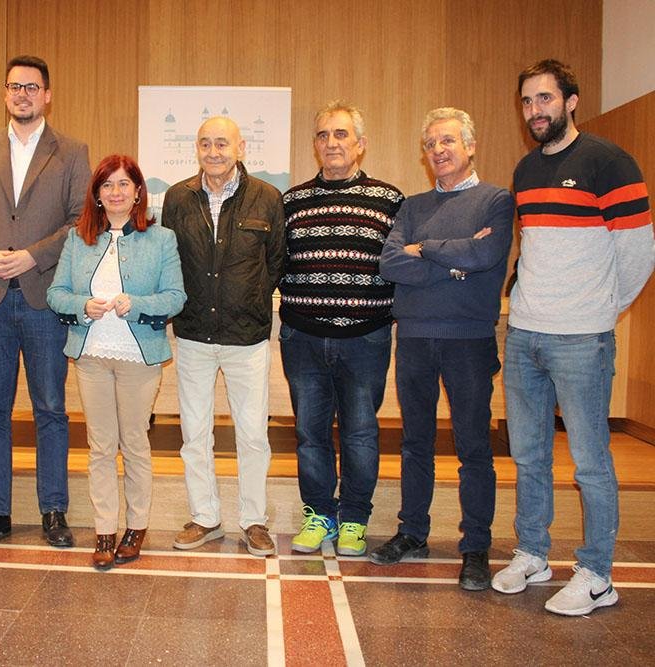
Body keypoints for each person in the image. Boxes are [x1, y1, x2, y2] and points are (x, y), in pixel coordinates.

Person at [492, 59, 654, 615]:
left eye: (545, 99)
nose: (535, 111)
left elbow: (637, 252)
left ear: (571, 101)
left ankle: (596, 574)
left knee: (590, 461)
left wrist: (603, 310)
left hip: (582, 338)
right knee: (529, 454)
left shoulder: (610, 162)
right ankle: (533, 552)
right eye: (527, 102)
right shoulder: (525, 171)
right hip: (526, 335)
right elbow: (534, 246)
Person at [0, 55, 90, 548]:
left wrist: (31, 255)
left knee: (50, 408)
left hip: (44, 297)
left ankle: (54, 510)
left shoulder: (71, 152)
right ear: (4, 94)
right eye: (14, 87)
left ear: (47, 94)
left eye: (32, 87)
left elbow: (79, 221)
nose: (23, 95)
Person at [375, 108, 514, 591]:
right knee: (415, 443)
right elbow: (391, 264)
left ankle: (475, 545)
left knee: (474, 446)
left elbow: (485, 256)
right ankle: (412, 531)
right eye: (431, 143)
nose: (438, 150)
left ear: (470, 146)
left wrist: (425, 249)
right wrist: (451, 259)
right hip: (413, 337)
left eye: (448, 141)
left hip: (469, 341)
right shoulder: (411, 206)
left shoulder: (496, 199)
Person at [47, 155, 186, 569]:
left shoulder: (161, 239)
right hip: (91, 356)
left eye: (124, 184)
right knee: (101, 448)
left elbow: (175, 296)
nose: (116, 192)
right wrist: (80, 305)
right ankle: (105, 529)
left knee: (135, 443)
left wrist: (137, 304)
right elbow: (56, 293)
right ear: (97, 194)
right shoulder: (79, 238)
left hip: (138, 357)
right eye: (108, 185)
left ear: (139, 191)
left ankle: (136, 526)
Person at [280, 101, 404, 557]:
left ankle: (353, 517)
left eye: (341, 134)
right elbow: (274, 265)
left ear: (360, 144)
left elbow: (403, 263)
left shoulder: (389, 200)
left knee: (360, 432)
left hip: (366, 338)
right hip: (303, 336)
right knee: (310, 432)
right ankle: (319, 515)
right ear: (314, 145)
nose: (331, 143)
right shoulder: (290, 202)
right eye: (323, 135)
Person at [161, 116, 285, 557]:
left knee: (252, 434)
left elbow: (275, 264)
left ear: (240, 147)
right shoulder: (178, 197)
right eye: (205, 144)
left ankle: (253, 520)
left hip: (246, 337)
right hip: (193, 334)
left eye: (222, 144)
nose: (213, 152)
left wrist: (246, 299)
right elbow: (169, 260)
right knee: (195, 433)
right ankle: (205, 517)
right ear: (196, 148)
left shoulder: (267, 198)